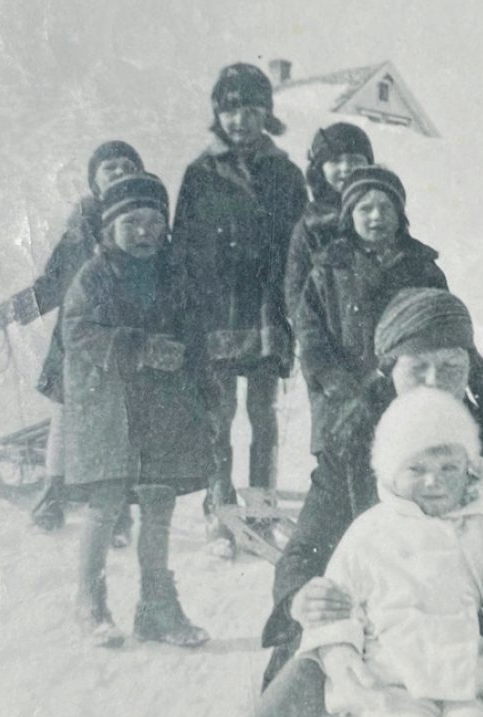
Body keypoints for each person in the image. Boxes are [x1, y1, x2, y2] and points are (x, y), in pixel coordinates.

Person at [222, 289, 483, 717]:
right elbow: (306, 549)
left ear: (470, 368)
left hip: (477, 632)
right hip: (375, 628)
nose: (434, 382)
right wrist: (301, 597)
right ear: (389, 369)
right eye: (417, 367)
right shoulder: (355, 437)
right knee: (313, 671)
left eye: (451, 367)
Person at [297, 387, 483, 717]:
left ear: (468, 470)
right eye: (417, 468)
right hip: (390, 680)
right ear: (392, 472)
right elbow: (336, 602)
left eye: (448, 468)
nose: (434, 480)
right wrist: (340, 657)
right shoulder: (369, 533)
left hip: (474, 683)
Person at [60, 172, 210, 648]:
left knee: (159, 505)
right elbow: (76, 332)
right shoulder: (94, 276)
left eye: (153, 221)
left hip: (163, 410)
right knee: (105, 505)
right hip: (111, 412)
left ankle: (157, 607)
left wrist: (199, 378)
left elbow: (195, 333)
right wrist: (137, 347)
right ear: (110, 227)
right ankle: (90, 602)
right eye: (132, 222)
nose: (144, 231)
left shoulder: (175, 275)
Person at [171, 62, 308, 556]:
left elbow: (300, 247)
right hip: (217, 310)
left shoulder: (286, 173)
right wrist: (186, 315)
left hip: (267, 307)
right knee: (220, 413)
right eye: (230, 110)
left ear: (266, 114)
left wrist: (295, 308)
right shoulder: (200, 174)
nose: (240, 120)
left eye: (251, 110)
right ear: (217, 114)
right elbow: (182, 249)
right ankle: (220, 510)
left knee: (263, 414)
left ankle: (261, 512)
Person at [0, 140, 141, 541]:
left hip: (128, 338)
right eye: (110, 167)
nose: (120, 172)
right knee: (67, 414)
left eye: (128, 166)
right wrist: (12, 310)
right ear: (94, 180)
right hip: (78, 338)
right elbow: (54, 283)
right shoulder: (84, 225)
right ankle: (52, 496)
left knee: (124, 425)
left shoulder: (149, 217)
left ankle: (119, 512)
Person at [290, 164, 448, 459]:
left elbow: (444, 331)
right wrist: (330, 376)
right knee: (343, 476)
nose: (376, 216)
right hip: (341, 405)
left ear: (400, 214)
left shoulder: (423, 270)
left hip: (405, 400)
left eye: (386, 207)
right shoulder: (327, 271)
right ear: (349, 215)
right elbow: (309, 332)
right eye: (365, 208)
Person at [284, 122, 374, 314]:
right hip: (326, 325)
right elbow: (295, 290)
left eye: (355, 160)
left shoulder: (379, 214)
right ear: (320, 169)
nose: (346, 168)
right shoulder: (310, 225)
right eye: (335, 161)